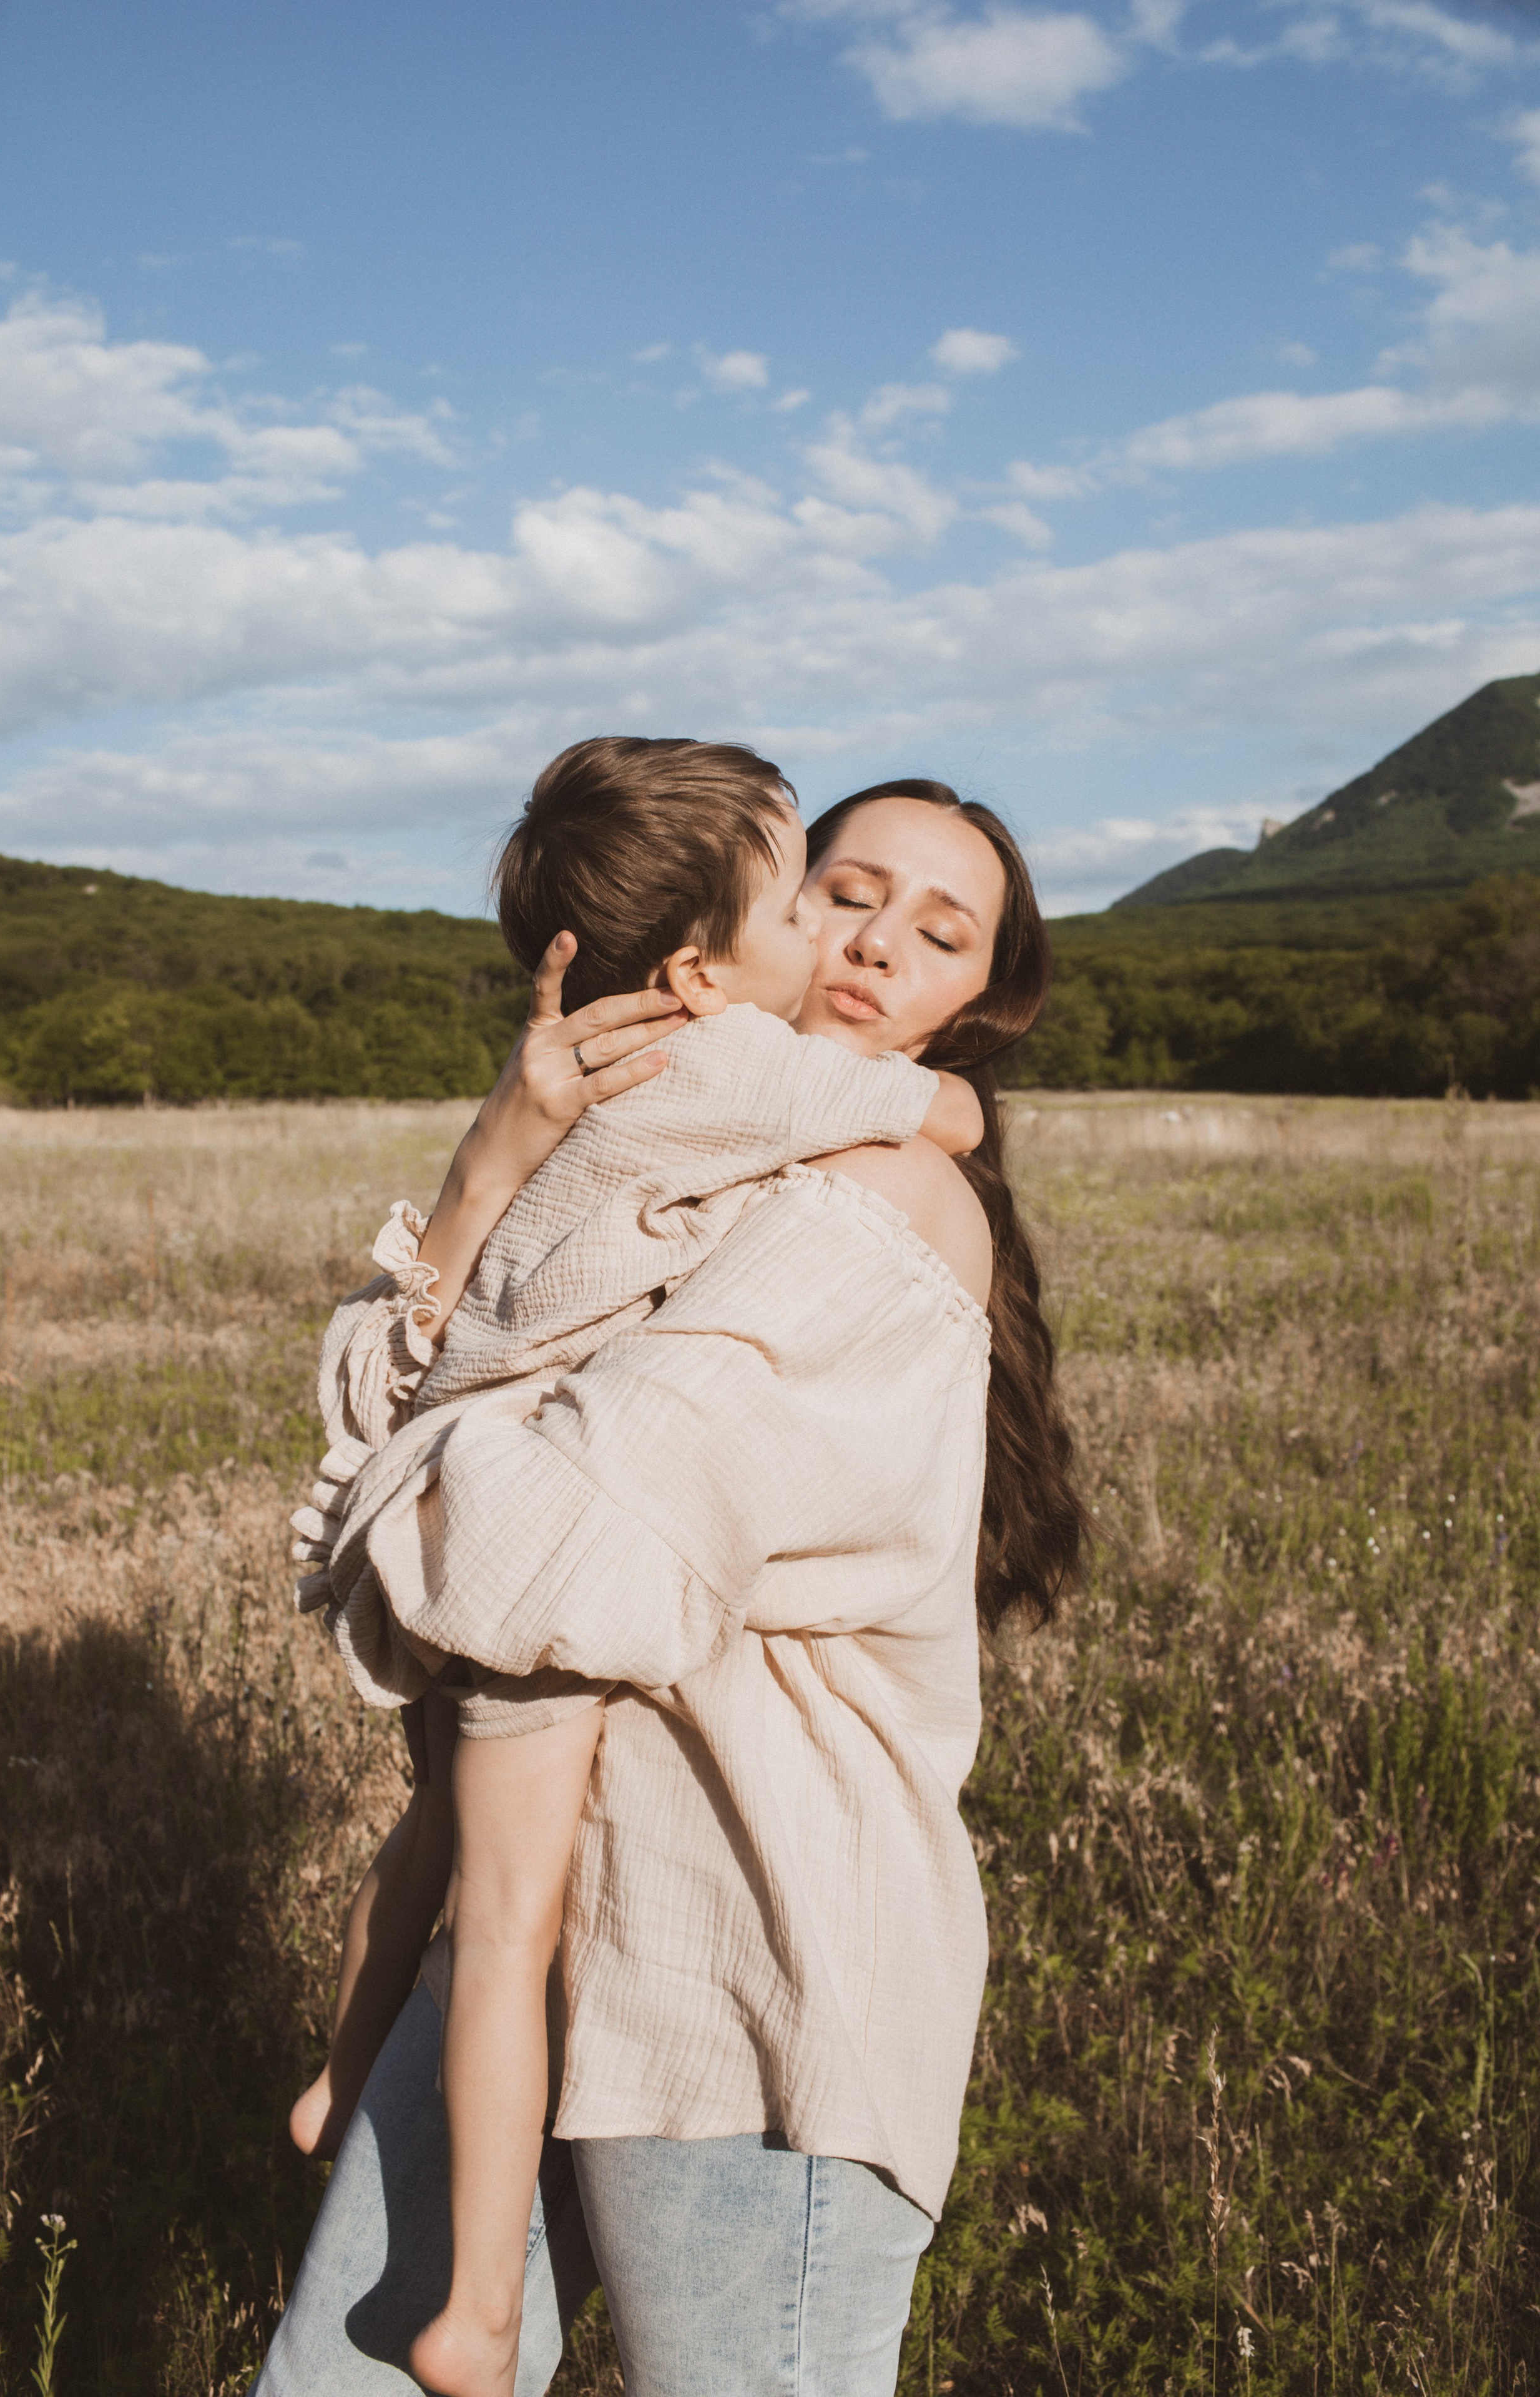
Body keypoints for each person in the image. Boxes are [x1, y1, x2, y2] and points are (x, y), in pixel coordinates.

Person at [256, 777, 1085, 2397]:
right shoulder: (675, 1155)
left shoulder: (886, 1203)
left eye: (941, 931)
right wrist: (495, 1156)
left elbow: (544, 1533)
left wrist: (424, 1476)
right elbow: (397, 1421)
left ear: (976, 1002)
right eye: (844, 892)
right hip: (537, 1924)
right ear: (746, 925)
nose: (872, 945)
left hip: (744, 1955)